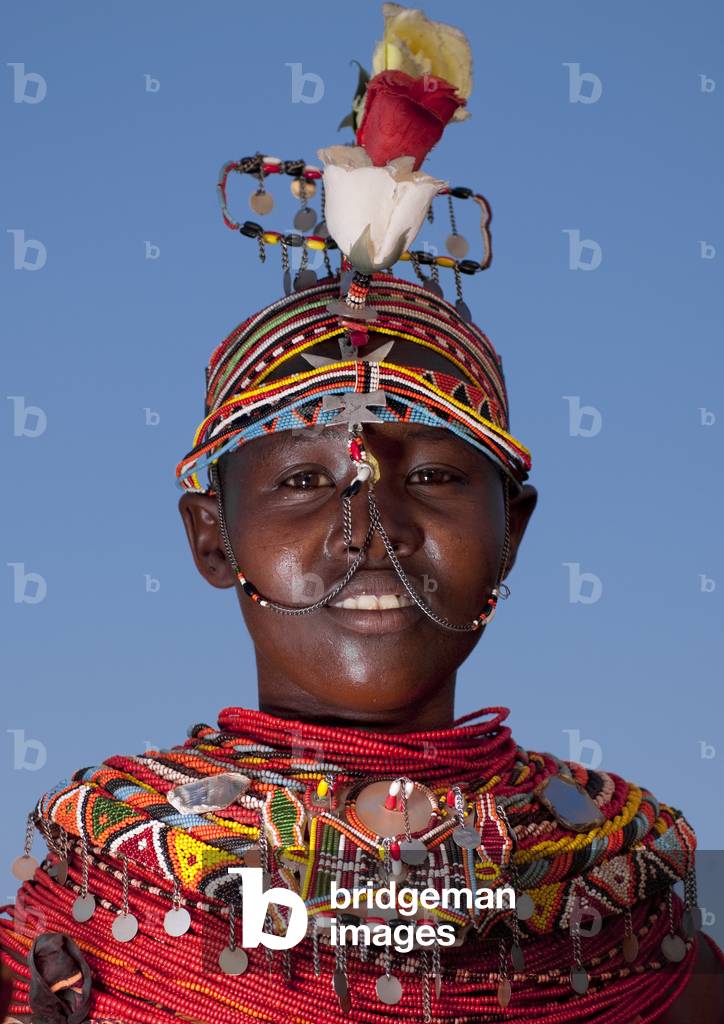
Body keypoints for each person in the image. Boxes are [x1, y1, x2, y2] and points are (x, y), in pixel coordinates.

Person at [1, 6, 721, 1022]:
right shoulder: (95, 894)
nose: (369, 527)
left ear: (512, 531)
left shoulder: (633, 888)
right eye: (302, 481)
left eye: (430, 477)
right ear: (211, 537)